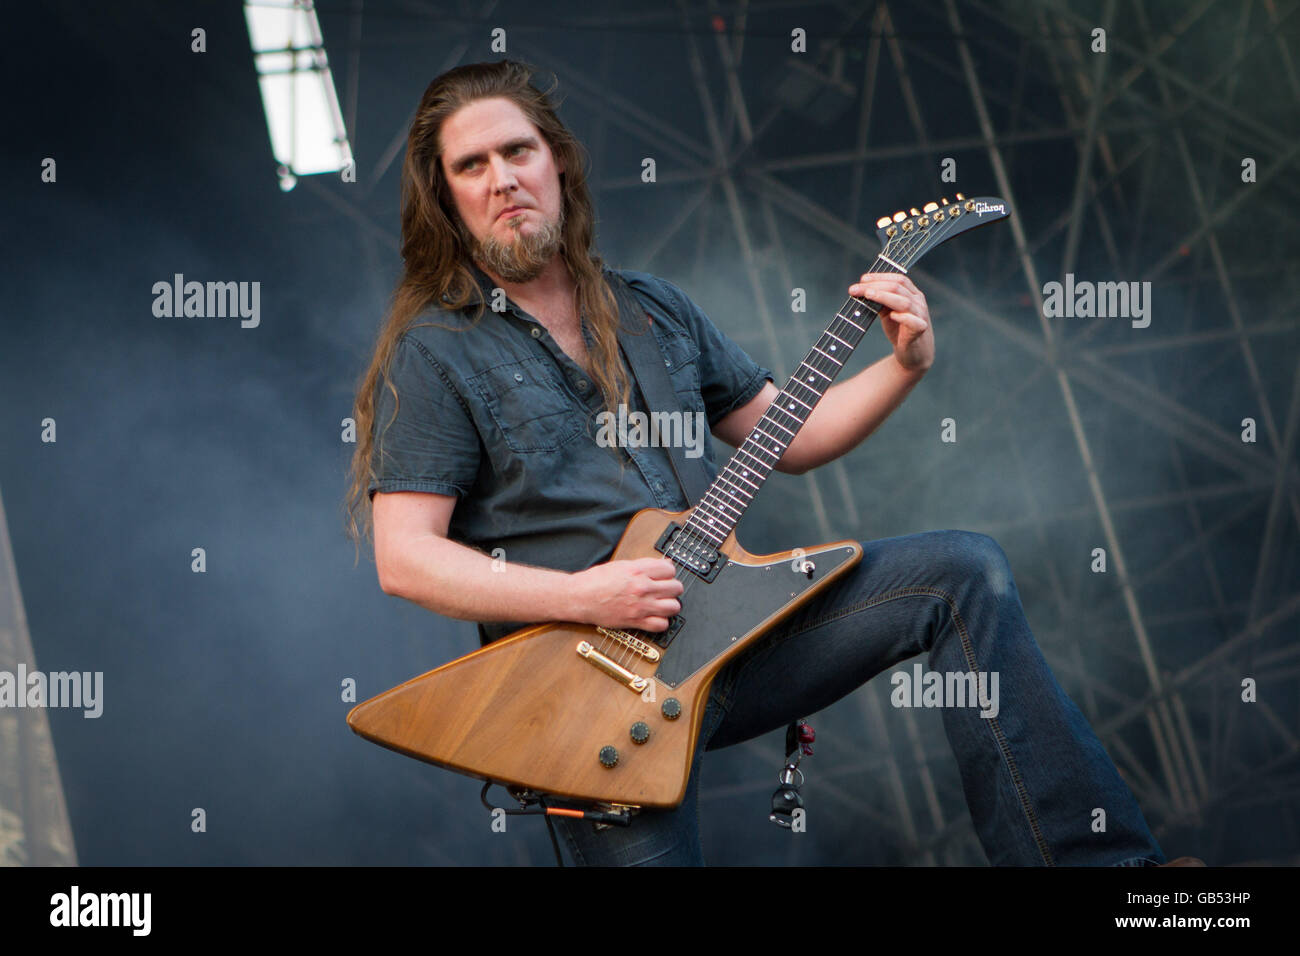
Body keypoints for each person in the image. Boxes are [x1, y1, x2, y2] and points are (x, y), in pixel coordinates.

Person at [344, 59, 1175, 867]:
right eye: (471, 165)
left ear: (556, 158)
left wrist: (906, 363)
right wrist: (581, 594)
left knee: (963, 571)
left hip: (735, 642)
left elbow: (796, 435)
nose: (502, 180)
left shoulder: (653, 309)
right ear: (446, 196)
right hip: (584, 700)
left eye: (517, 151)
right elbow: (404, 557)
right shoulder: (436, 354)